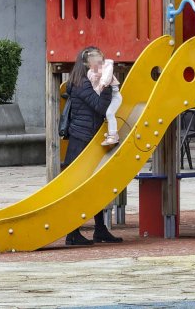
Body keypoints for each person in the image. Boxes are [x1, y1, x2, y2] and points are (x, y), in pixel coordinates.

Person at [62, 46, 123, 246]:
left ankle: (100, 228)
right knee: (79, 186)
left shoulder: (84, 82)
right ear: (86, 64)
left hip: (86, 138)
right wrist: (106, 86)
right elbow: (100, 107)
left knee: (94, 184)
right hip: (82, 141)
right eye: (97, 62)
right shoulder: (81, 84)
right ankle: (72, 232)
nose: (101, 65)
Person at [99, 58, 122, 146]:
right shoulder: (95, 71)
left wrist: (103, 83)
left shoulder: (106, 69)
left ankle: (113, 135)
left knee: (109, 113)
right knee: (106, 114)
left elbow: (107, 74)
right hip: (109, 98)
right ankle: (110, 134)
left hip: (115, 97)